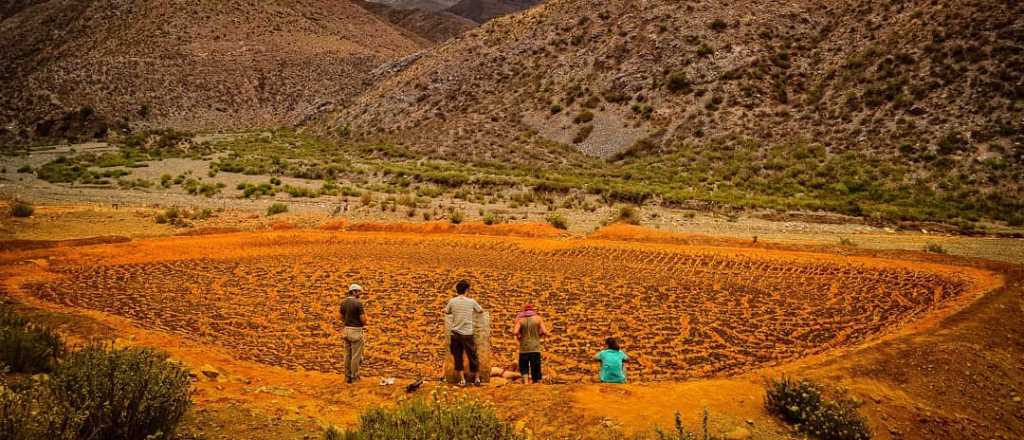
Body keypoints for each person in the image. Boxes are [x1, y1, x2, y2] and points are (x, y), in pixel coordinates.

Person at [444, 279, 484, 386]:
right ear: (467, 290)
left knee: (458, 357)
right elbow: (480, 310)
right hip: (467, 333)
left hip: (455, 334)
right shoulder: (471, 301)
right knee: (473, 356)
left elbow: (446, 311)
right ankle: (477, 378)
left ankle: (462, 380)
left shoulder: (452, 301)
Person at [513, 304, 549, 384]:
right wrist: (541, 334)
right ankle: (535, 382)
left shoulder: (520, 320)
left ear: (524, 310)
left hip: (524, 348)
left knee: (524, 365)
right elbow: (544, 331)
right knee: (535, 366)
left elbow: (515, 332)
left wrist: (519, 335)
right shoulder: (538, 319)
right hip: (535, 347)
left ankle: (526, 383)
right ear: (532, 310)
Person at [340, 284, 367, 384]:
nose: (360, 294)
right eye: (359, 292)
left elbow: (340, 317)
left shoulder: (343, 302)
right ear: (354, 292)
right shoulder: (358, 303)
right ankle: (354, 377)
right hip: (356, 331)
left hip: (346, 330)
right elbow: (363, 320)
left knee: (347, 355)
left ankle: (347, 377)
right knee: (356, 356)